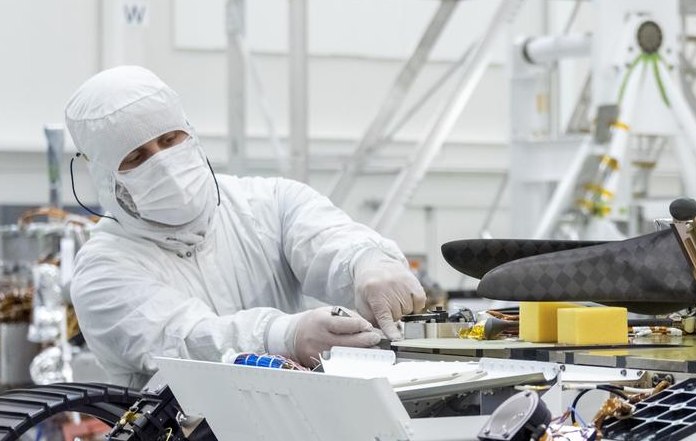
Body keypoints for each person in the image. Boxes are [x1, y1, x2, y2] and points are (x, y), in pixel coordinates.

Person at [65, 66, 426, 386]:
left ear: (190, 133)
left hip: (301, 439)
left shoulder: (267, 202)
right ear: (105, 175)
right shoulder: (103, 269)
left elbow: (327, 237)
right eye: (136, 157)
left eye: (169, 139)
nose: (163, 163)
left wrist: (367, 263)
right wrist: (284, 335)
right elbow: (186, 339)